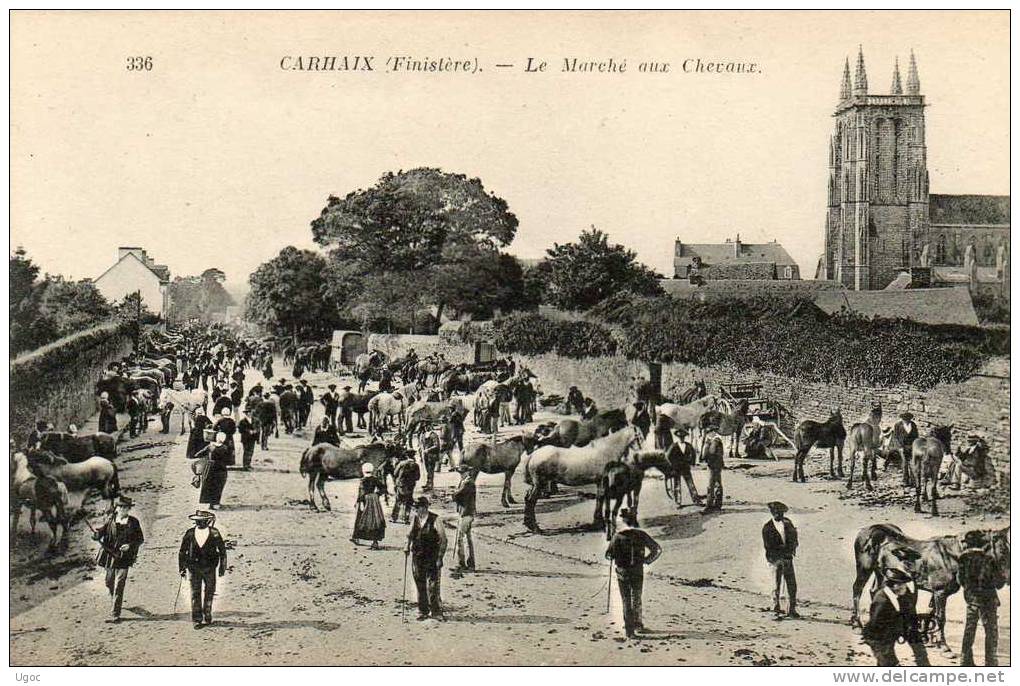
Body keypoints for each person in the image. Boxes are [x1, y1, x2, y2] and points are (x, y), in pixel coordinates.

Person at [605, 507, 662, 638]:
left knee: (626, 599)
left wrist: (613, 556)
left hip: (622, 572)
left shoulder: (617, 537)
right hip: (637, 570)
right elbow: (657, 549)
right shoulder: (641, 535)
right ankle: (638, 624)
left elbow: (608, 555)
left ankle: (629, 631)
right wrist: (646, 560)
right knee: (636, 597)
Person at [862, 567, 930, 666]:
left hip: (895, 631)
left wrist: (922, 659)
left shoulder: (901, 595)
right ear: (894, 586)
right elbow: (877, 630)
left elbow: (909, 619)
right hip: (878, 638)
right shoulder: (881, 601)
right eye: (903, 584)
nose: (905, 587)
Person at [92, 496, 145, 623]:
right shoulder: (111, 520)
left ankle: (115, 613)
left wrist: (130, 546)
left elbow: (140, 539)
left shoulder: (133, 522)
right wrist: (97, 535)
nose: (123, 510)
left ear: (129, 509)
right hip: (110, 556)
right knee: (109, 582)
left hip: (124, 558)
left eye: (126, 508)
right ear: (117, 508)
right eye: (121, 507)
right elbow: (102, 531)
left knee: (119, 584)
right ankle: (115, 600)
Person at [958, 530, 1005, 666]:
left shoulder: (963, 559)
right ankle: (991, 662)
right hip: (988, 601)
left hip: (971, 600)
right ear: (982, 544)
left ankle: (965, 660)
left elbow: (960, 580)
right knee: (991, 631)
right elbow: (999, 583)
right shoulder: (989, 559)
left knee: (969, 629)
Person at [177, 510, 227, 629]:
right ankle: (197, 619)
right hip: (193, 568)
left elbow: (222, 551)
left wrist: (222, 567)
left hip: (209, 568)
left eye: (203, 521)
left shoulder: (214, 533)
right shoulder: (189, 533)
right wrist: (182, 568)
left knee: (209, 591)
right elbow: (182, 551)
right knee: (195, 593)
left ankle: (207, 614)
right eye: (198, 521)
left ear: (208, 521)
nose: (200, 523)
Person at [405, 496, 447, 621]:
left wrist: (440, 557)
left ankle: (436, 611)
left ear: (424, 507)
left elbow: (443, 540)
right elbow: (410, 535)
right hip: (417, 556)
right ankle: (423, 610)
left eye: (417, 508)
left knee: (433, 584)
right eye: (415, 508)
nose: (415, 510)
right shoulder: (416, 518)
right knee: (420, 583)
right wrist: (406, 546)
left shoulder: (435, 519)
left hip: (431, 556)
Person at [761, 501, 799, 618]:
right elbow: (768, 546)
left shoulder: (788, 523)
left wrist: (791, 551)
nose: (779, 515)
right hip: (775, 559)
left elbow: (794, 539)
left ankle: (791, 609)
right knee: (775, 584)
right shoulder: (767, 528)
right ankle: (775, 607)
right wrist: (778, 557)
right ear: (773, 513)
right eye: (777, 513)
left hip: (787, 558)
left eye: (781, 513)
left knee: (791, 585)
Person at [664, 427, 703, 507]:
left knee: (690, 484)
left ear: (684, 437)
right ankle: (678, 502)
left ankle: (696, 500)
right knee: (677, 484)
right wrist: (670, 466)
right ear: (677, 437)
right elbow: (667, 457)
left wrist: (692, 462)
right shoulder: (673, 446)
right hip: (676, 468)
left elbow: (693, 454)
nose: (681, 438)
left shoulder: (688, 445)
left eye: (682, 437)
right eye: (679, 437)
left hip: (685, 467)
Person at [352, 463, 388, 549]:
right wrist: (376, 495)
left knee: (362, 518)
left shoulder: (363, 480)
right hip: (375, 501)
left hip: (365, 501)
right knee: (376, 519)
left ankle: (356, 537)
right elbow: (383, 488)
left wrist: (358, 501)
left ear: (363, 470)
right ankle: (375, 542)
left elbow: (361, 493)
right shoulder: (375, 479)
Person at [451, 466, 477, 573]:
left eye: (462, 472)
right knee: (467, 539)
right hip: (467, 512)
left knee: (460, 539)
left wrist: (454, 493)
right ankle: (470, 563)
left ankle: (462, 564)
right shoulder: (466, 482)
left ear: (467, 472)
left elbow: (457, 495)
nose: (460, 474)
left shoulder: (468, 483)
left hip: (466, 513)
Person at [200, 432, 231, 510]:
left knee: (209, 485)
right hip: (221, 469)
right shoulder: (225, 448)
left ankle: (210, 503)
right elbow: (229, 460)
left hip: (210, 468)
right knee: (219, 486)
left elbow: (198, 454)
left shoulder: (210, 446)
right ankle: (216, 503)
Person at [702, 423, 725, 513]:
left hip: (713, 465)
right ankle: (718, 505)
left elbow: (707, 454)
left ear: (712, 432)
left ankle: (709, 505)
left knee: (711, 485)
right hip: (718, 465)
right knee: (718, 484)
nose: (707, 434)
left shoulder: (714, 442)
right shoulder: (717, 441)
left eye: (708, 432)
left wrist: (706, 445)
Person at [392, 452, 421, 524]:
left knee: (398, 500)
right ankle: (406, 519)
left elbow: (395, 473)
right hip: (410, 486)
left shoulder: (401, 463)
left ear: (407, 456)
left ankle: (394, 518)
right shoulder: (416, 465)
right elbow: (418, 477)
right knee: (408, 502)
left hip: (401, 485)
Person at [891, 412, 919, 476]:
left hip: (911, 446)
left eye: (908, 419)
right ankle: (905, 480)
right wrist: (900, 447)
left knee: (912, 463)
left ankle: (913, 480)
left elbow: (916, 436)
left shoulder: (913, 425)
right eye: (905, 419)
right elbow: (895, 437)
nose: (906, 421)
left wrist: (914, 446)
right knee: (904, 462)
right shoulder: (898, 425)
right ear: (902, 419)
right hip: (902, 446)